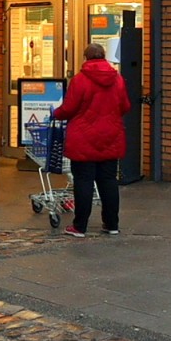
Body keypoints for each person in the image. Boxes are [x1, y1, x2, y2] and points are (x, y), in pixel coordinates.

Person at [53, 42, 131, 238]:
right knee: (108, 181)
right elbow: (125, 106)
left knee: (84, 181)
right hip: (111, 137)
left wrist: (57, 114)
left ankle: (80, 226)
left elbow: (69, 108)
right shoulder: (117, 79)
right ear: (103, 56)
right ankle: (112, 224)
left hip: (83, 138)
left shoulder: (80, 80)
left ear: (86, 57)